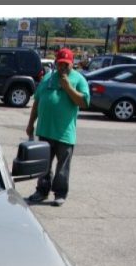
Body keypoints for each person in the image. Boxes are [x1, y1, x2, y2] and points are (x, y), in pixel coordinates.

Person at [26, 47, 90, 207]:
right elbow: (37, 102)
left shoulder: (79, 79)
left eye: (66, 65)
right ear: (56, 63)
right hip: (45, 130)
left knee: (63, 167)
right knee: (44, 165)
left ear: (72, 64)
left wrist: (68, 87)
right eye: (60, 64)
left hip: (64, 133)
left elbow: (84, 102)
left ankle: (60, 194)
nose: (62, 67)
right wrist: (30, 124)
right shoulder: (48, 78)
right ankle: (41, 191)